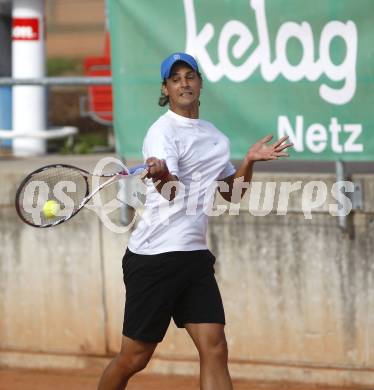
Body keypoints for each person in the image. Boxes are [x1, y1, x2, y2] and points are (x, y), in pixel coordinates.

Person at [98, 52, 292, 390]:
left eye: (190, 76)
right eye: (176, 79)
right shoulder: (162, 133)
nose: (184, 83)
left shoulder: (215, 136)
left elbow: (232, 193)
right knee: (135, 357)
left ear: (199, 83)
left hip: (194, 257)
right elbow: (172, 193)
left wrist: (249, 161)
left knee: (215, 347)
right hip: (154, 259)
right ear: (166, 89)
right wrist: (162, 174)